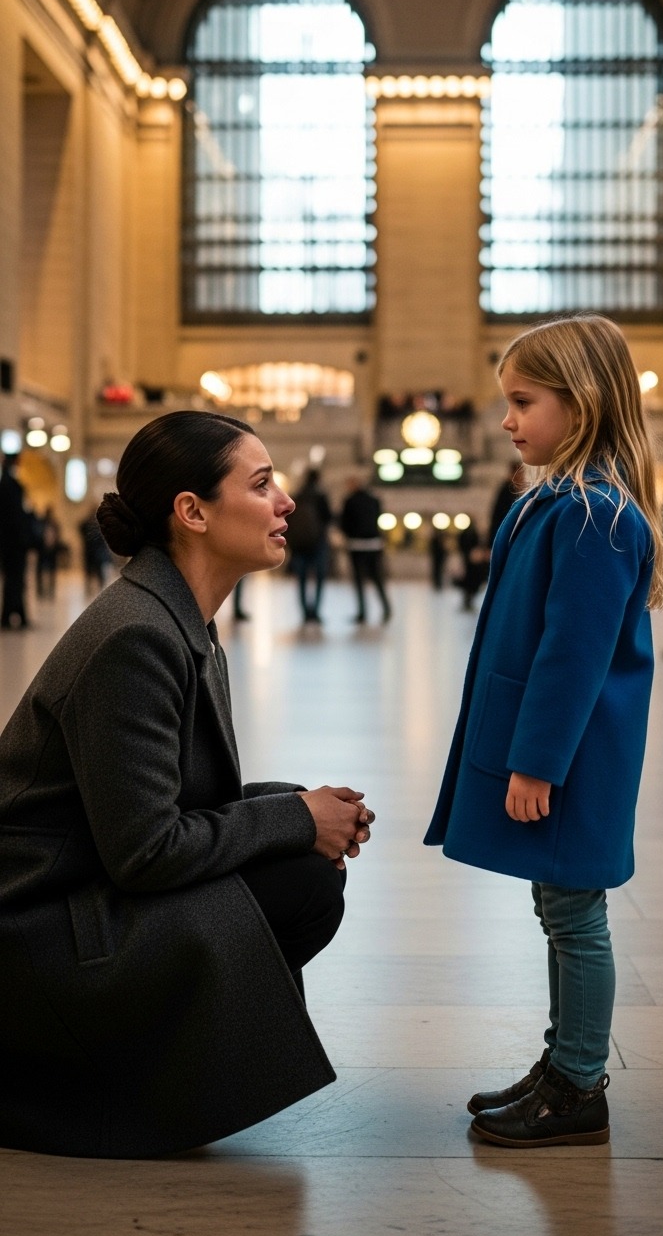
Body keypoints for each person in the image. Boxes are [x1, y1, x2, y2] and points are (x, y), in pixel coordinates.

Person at [0, 411, 374, 1159]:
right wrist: (296, 821)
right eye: (262, 483)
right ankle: (103, 1080)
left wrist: (298, 803)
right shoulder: (137, 635)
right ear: (192, 511)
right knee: (300, 879)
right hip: (34, 935)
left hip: (82, 892)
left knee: (295, 836)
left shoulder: (177, 618)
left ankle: (162, 1062)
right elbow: (146, 851)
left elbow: (177, 803)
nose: (286, 502)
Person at [424, 313, 663, 1148]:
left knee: (574, 914)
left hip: (572, 756)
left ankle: (577, 1083)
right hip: (560, 752)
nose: (507, 420)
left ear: (584, 402)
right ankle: (565, 1063)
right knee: (558, 905)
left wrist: (536, 764)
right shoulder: (568, 504)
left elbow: (571, 657)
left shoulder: (596, 516)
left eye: (522, 402)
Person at [339, 476, 392, 624]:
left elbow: (344, 523)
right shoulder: (374, 500)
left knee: (359, 580)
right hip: (374, 544)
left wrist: (349, 535)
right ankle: (386, 608)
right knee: (377, 578)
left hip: (356, 545)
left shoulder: (349, 501)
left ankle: (363, 612)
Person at [284, 467, 333, 624]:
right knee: (319, 578)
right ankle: (316, 611)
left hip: (299, 545)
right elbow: (328, 519)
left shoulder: (297, 496)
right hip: (318, 543)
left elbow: (288, 520)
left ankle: (305, 612)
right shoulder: (321, 497)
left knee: (302, 579)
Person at [0, 454, 31, 630]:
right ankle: (14, 614)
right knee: (15, 579)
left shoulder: (7, 483)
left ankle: (15, 613)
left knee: (14, 579)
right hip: (14, 542)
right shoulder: (9, 485)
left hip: (10, 542)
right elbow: (14, 518)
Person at [487, 459, 528, 547]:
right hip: (505, 534)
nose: (523, 477)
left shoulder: (511, 489)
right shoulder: (508, 490)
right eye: (521, 473)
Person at [78, 508, 113, 591]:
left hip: (95, 552)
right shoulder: (93, 524)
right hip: (93, 552)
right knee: (92, 571)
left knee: (95, 571)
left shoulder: (96, 524)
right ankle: (94, 586)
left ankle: (96, 586)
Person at [35, 505, 62, 600]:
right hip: (42, 550)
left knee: (51, 571)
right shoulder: (41, 524)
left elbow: (58, 535)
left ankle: (50, 589)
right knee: (40, 571)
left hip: (52, 551)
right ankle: (40, 590)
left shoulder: (54, 524)